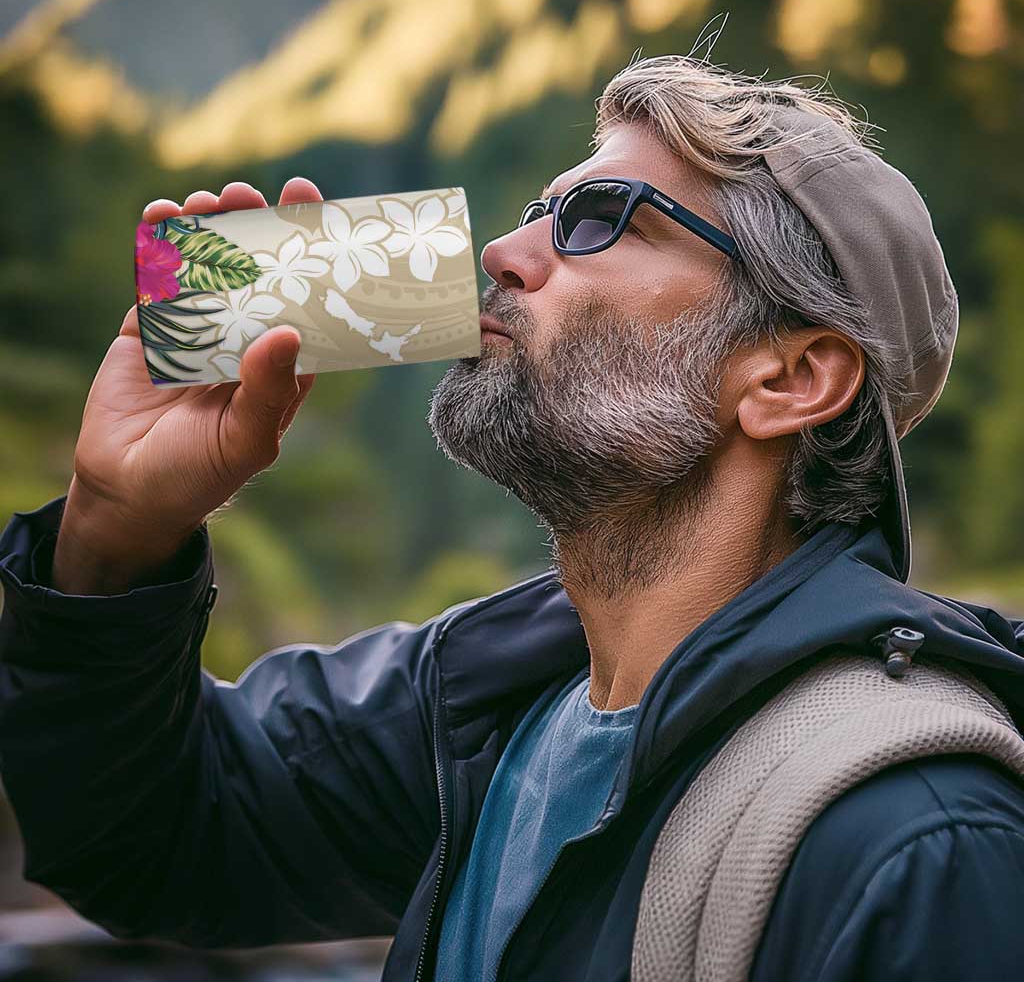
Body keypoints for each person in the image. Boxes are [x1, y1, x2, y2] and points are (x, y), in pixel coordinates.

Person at [2, 52, 1024, 982]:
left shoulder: (918, 842)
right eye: (540, 210)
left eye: (600, 219)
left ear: (790, 377)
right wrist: (115, 529)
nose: (502, 249)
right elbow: (148, 838)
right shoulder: (480, 706)